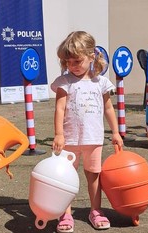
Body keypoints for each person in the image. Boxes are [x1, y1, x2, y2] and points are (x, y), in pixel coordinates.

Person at [51, 31, 123, 233]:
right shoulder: (64, 82)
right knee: (66, 176)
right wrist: (58, 134)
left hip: (93, 138)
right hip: (69, 139)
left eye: (77, 60)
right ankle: (65, 213)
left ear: (91, 56)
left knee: (94, 175)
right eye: (67, 62)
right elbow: (59, 108)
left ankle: (96, 210)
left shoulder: (100, 82)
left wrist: (116, 132)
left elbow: (109, 109)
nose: (72, 65)